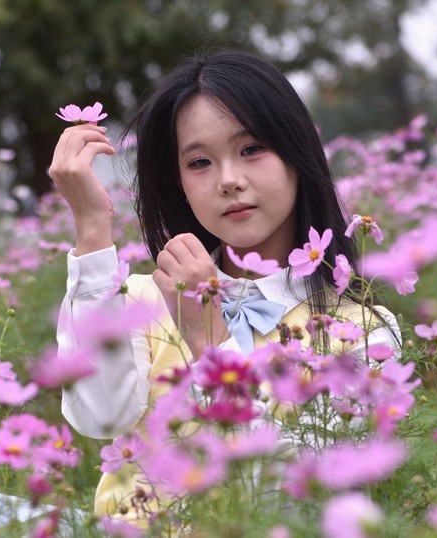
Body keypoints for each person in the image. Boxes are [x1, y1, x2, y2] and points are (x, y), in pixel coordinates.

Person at [49, 48, 401, 525]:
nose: (229, 181)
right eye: (199, 163)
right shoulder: (146, 297)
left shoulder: (359, 331)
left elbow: (297, 501)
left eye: (251, 149)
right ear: (178, 182)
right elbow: (100, 419)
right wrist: (92, 226)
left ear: (296, 153)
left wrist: (208, 339)